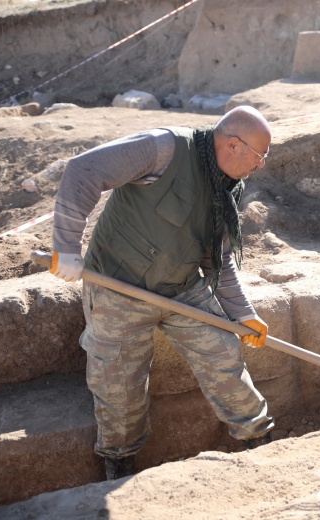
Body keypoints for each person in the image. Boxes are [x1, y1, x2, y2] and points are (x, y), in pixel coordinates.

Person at [49, 106, 275, 480]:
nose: (262, 164)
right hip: (116, 288)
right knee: (119, 386)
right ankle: (119, 465)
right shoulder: (162, 149)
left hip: (180, 288)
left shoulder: (224, 185)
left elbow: (216, 257)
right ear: (234, 144)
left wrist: (242, 313)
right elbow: (83, 171)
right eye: (260, 155)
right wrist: (67, 247)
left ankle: (259, 438)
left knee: (222, 351)